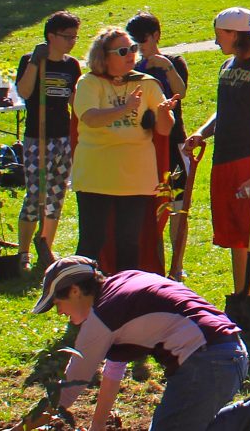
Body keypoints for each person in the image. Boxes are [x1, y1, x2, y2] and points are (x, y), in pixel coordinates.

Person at [32, 256, 250, 431]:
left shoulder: (103, 316)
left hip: (207, 363)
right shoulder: (123, 283)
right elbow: (113, 369)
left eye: (58, 304)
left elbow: (68, 391)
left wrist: (21, 428)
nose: (60, 313)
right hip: (230, 353)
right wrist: (97, 427)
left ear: (75, 291)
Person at [185, 9, 250, 319]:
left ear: (235, 34)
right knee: (236, 236)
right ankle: (241, 297)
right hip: (223, 159)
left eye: (219, 35)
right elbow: (223, 110)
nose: (215, 41)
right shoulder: (227, 66)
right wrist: (202, 132)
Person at [72, 28, 176, 271]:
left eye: (133, 49)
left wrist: (163, 113)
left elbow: (164, 130)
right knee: (92, 241)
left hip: (135, 176)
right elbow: (90, 118)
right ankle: (82, 289)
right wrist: (125, 109)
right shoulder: (89, 82)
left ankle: (125, 291)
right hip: (96, 175)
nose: (130, 54)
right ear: (103, 56)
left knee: (129, 243)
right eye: (122, 51)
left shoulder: (146, 83)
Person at [128, 13, 192, 277]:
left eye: (142, 40)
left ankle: (177, 266)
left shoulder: (174, 62)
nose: (139, 47)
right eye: (134, 42)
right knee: (151, 209)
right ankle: (154, 266)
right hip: (145, 145)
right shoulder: (133, 67)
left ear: (155, 36)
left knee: (178, 205)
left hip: (173, 143)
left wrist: (166, 67)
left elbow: (181, 92)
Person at [15, 11, 81, 269]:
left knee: (55, 195)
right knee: (35, 196)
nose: (72, 41)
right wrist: (34, 62)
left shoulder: (71, 65)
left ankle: (46, 249)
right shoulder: (30, 61)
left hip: (62, 136)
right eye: (67, 36)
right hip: (37, 138)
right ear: (51, 37)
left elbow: (75, 100)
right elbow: (24, 92)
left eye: (75, 37)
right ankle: (23, 253)